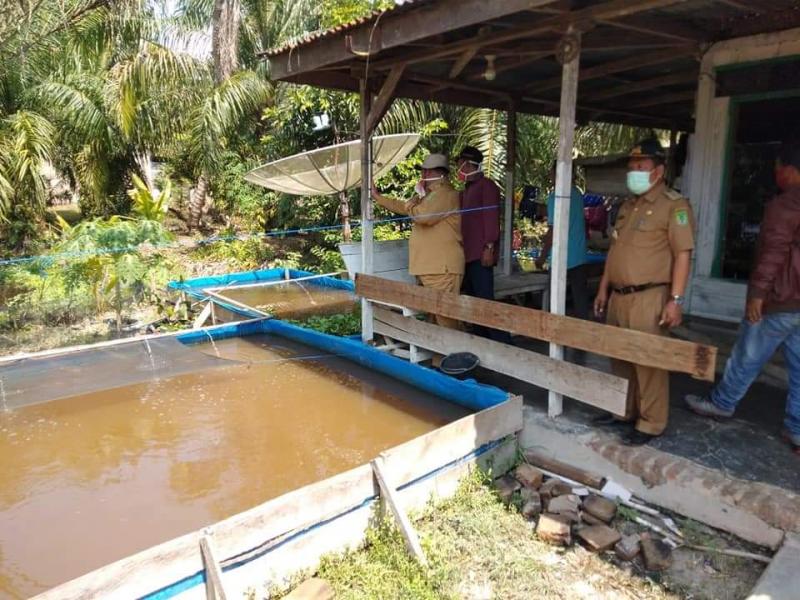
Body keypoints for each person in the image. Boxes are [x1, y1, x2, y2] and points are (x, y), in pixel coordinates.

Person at [686, 141, 800, 455]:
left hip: (780, 300)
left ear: (788, 169)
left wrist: (758, 294)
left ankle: (721, 403)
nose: (775, 173)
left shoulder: (785, 205)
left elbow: (774, 253)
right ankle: (797, 428)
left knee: (747, 357)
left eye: (777, 167)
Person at [593, 139, 695, 446]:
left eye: (641, 166)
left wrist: (675, 300)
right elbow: (615, 252)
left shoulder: (674, 206)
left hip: (650, 296)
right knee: (619, 357)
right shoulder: (627, 206)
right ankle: (624, 411)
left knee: (648, 361)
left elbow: (683, 254)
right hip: (618, 296)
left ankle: (651, 422)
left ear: (659, 170)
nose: (634, 170)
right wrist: (602, 289)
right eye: (632, 166)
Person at [371, 153, 464, 330]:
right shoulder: (429, 196)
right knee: (435, 320)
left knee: (447, 320)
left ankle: (457, 355)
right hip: (431, 268)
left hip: (441, 269)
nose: (423, 176)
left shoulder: (445, 194)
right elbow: (408, 208)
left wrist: (412, 202)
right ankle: (440, 357)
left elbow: (422, 216)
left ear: (436, 173)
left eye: (425, 172)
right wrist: (379, 198)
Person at [457, 145, 510, 342]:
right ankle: (483, 344)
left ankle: (505, 346)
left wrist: (489, 247)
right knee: (474, 305)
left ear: (470, 165)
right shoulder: (466, 191)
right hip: (468, 255)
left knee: (486, 304)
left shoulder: (487, 186)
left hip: (480, 255)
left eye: (461, 164)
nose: (459, 169)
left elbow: (491, 218)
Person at [536, 161, 590, 320]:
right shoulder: (578, 194)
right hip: (579, 256)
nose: (551, 176)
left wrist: (542, 257)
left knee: (556, 302)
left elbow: (554, 231)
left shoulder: (555, 197)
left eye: (553, 173)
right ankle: (582, 338)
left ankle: (557, 339)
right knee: (580, 301)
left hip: (561, 258)